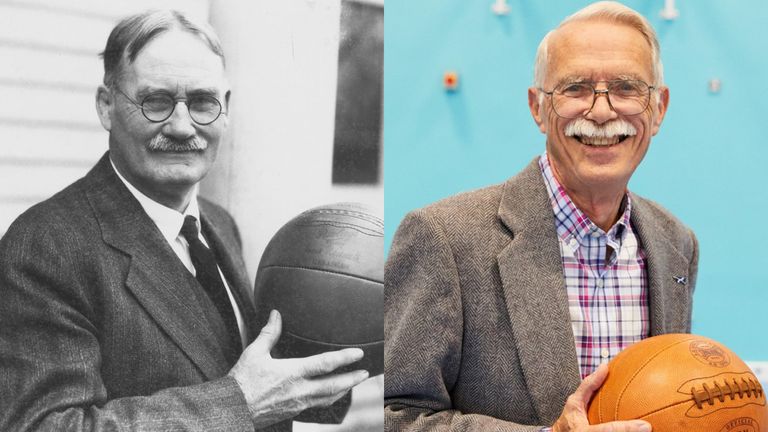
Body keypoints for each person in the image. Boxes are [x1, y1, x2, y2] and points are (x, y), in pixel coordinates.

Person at [0, 10, 369, 432]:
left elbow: (253, 375)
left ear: (225, 109)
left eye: (202, 102)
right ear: (106, 106)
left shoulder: (219, 224)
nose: (181, 126)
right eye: (155, 101)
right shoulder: (45, 247)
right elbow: (43, 426)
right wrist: (240, 404)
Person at [384, 2, 698, 431]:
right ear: (537, 107)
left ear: (658, 108)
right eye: (575, 89)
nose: (602, 112)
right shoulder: (444, 240)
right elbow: (395, 415)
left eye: (627, 88)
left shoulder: (675, 244)